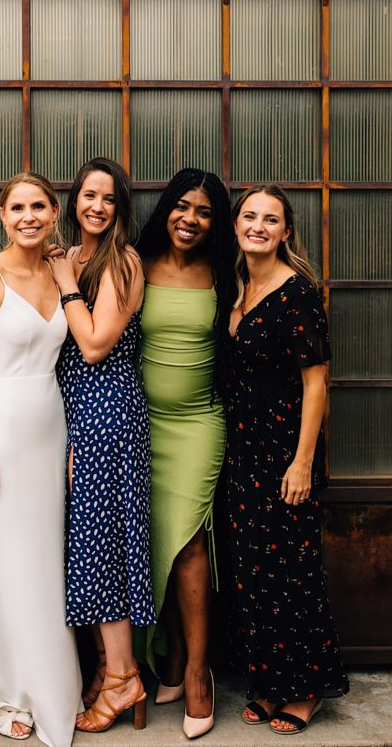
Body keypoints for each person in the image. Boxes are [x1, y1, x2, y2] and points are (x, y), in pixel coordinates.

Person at [0, 172, 82, 747]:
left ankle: (44, 682)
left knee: (43, 554)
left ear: (55, 213)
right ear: (1, 217)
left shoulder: (62, 274)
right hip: (2, 423)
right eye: (17, 208)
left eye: (39, 206)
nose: (28, 216)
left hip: (49, 424)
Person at [224, 184, 349, 734]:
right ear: (236, 226)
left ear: (286, 230)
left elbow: (317, 383)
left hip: (282, 454)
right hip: (242, 454)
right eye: (249, 216)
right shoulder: (238, 286)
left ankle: (306, 691)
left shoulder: (297, 293)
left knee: (292, 574)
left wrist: (302, 464)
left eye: (269, 219)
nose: (258, 226)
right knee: (253, 574)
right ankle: (270, 684)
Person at [48, 157, 155, 734]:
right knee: (83, 543)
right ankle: (105, 671)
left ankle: (123, 678)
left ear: (120, 208)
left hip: (108, 414)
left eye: (108, 198)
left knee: (101, 545)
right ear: (74, 200)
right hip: (74, 414)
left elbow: (93, 344)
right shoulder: (72, 255)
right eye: (88, 195)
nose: (97, 206)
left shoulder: (123, 262)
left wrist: (65, 284)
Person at [135, 168, 234, 739]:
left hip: (197, 424)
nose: (190, 219)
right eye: (182, 206)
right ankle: (167, 656)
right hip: (141, 426)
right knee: (155, 540)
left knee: (190, 537)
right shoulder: (136, 263)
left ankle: (198, 673)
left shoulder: (223, 273)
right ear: (166, 207)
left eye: (203, 211)